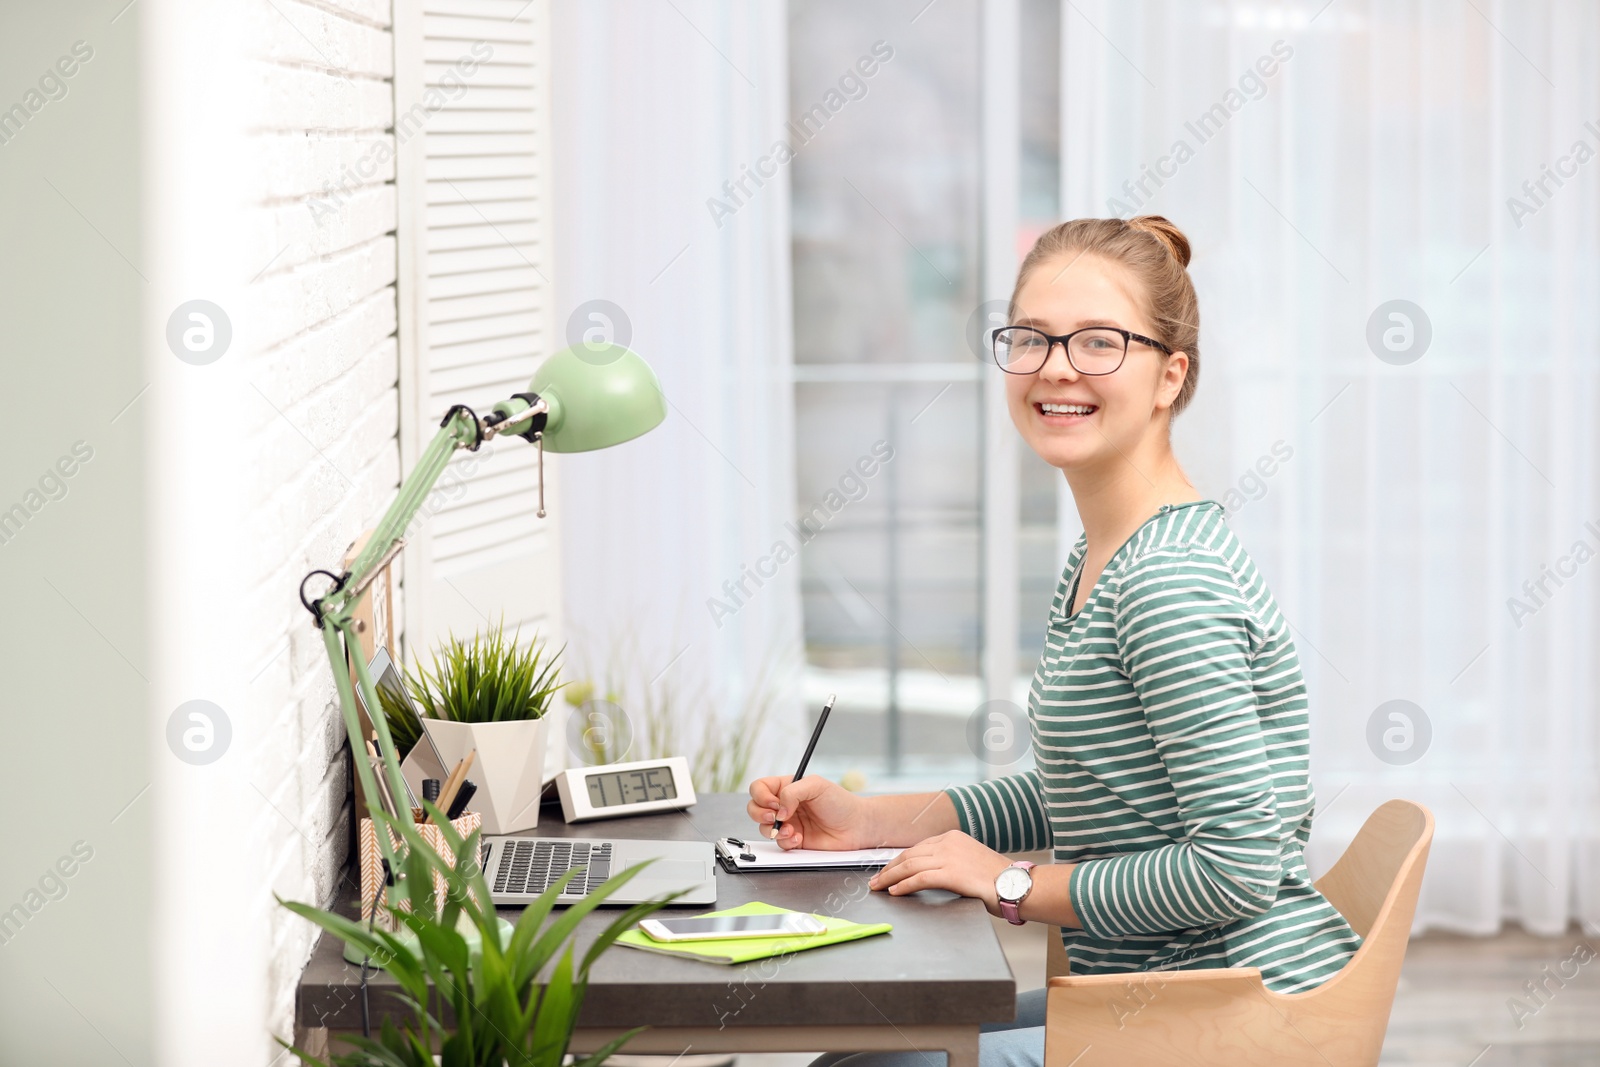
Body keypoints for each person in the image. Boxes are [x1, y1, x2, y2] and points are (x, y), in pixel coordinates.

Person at [748, 216, 1362, 1067]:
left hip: (1228, 1018)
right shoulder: (1105, 553)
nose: (1056, 366)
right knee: (859, 1050)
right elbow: (1087, 788)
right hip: (1155, 995)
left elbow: (1237, 868)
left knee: (870, 1063)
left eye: (1100, 342)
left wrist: (1007, 882)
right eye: (1032, 338)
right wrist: (867, 821)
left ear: (1168, 376)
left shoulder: (1166, 583)